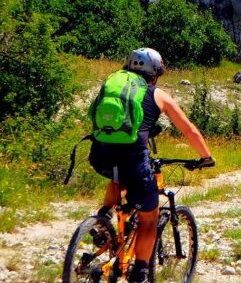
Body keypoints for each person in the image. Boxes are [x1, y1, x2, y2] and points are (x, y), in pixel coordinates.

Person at [88, 48, 214, 283]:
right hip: (133, 157)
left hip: (100, 153)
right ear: (155, 73)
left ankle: (103, 218)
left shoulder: (113, 84)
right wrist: (206, 156)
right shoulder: (157, 94)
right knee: (149, 219)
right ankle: (140, 273)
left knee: (119, 178)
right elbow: (189, 130)